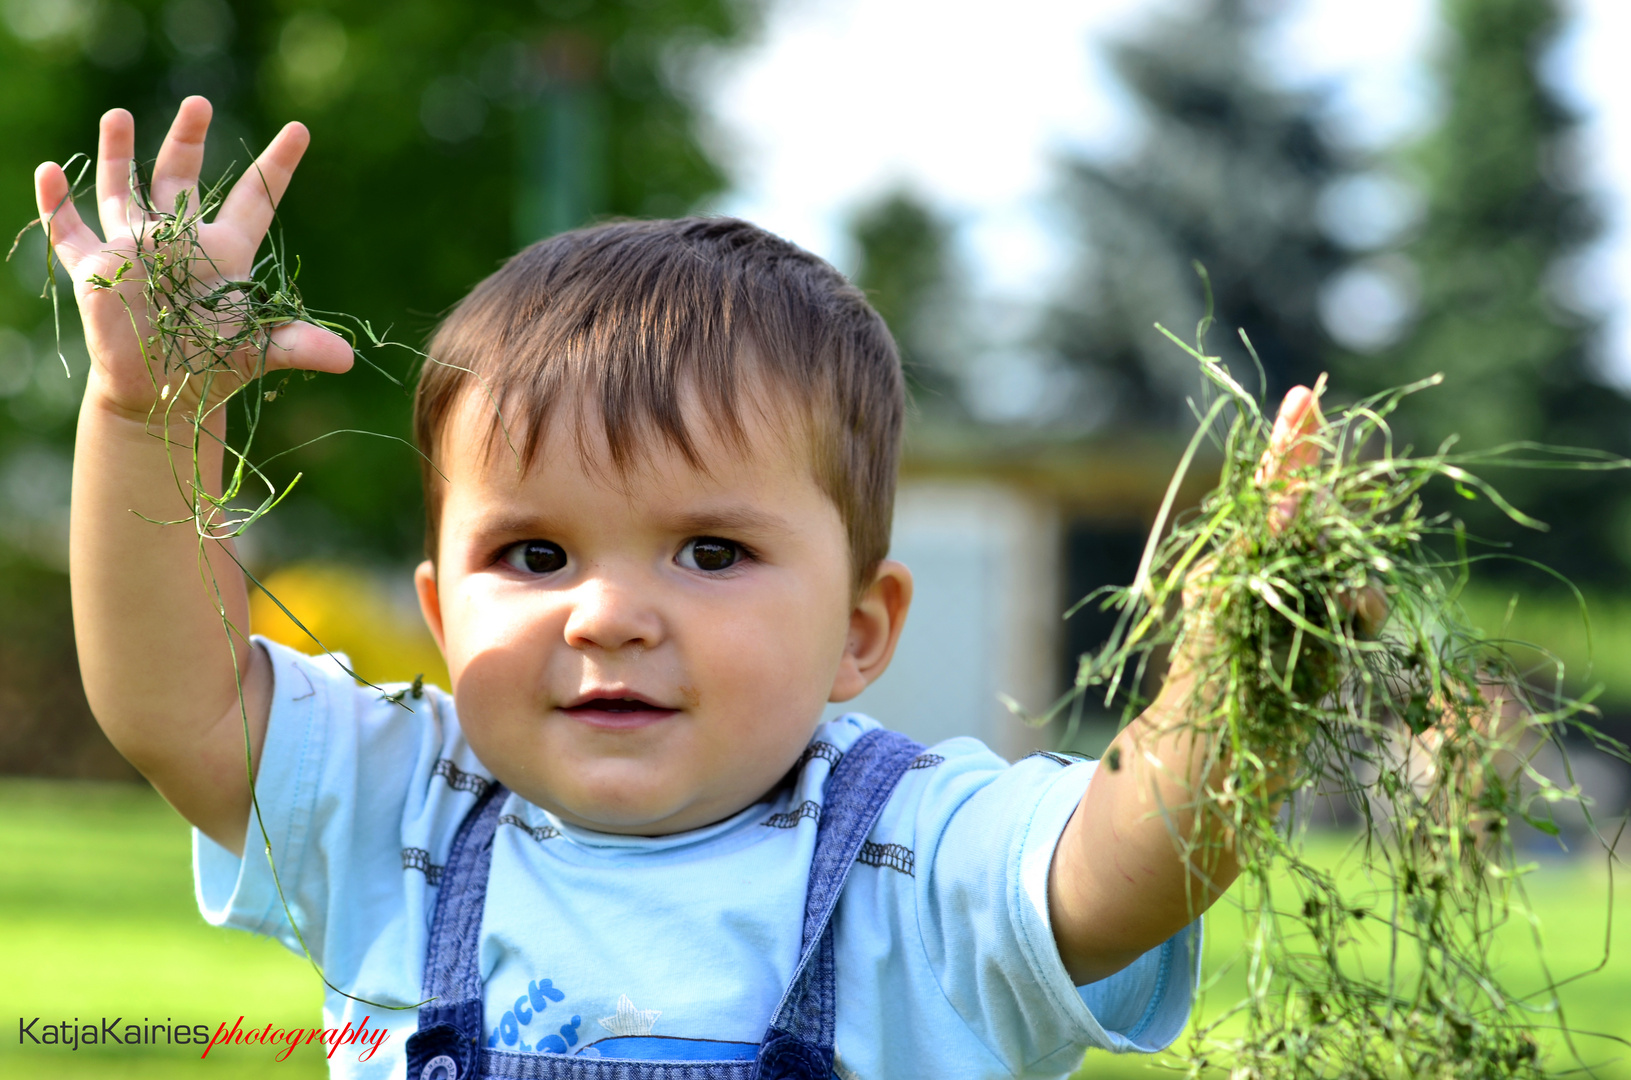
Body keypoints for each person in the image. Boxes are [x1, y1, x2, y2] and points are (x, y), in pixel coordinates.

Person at [38, 97, 1329, 1080]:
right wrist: (149, 415)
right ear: (441, 617)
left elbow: (1122, 869)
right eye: (534, 557)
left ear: (859, 630)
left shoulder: (914, 856)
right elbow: (176, 704)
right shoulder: (398, 811)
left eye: (711, 553)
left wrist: (1252, 663)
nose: (608, 615)